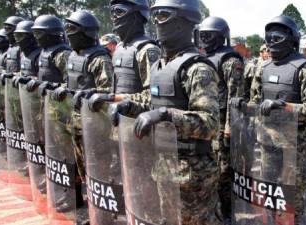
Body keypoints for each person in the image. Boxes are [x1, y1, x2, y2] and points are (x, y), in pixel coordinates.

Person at [90, 0, 222, 224]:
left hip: (192, 170)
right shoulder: (160, 65)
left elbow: (209, 123)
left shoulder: (197, 68)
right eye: (155, 15)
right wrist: (127, 104)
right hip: (163, 164)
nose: (156, 22)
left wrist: (165, 115)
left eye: (163, 15)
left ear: (182, 21)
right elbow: (148, 98)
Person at [234, 15, 306, 224]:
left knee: (292, 194)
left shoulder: (305, 68)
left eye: (277, 37)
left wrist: (284, 106)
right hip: (267, 142)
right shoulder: (262, 67)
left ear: (290, 39)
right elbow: (256, 101)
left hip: (294, 146)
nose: (272, 41)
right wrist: (243, 105)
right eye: (269, 37)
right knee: (269, 189)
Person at [52, 10, 113, 181]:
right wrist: (63, 89)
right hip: (74, 120)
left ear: (86, 32)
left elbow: (108, 93)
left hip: (95, 125)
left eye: (72, 29)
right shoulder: (73, 55)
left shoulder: (100, 59)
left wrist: (87, 94)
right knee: (79, 163)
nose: (68, 33)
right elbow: (71, 82)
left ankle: (101, 205)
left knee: (98, 168)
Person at [198, 16, 244, 222]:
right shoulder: (203, 58)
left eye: (210, 35)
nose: (205, 39)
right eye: (203, 35)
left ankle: (227, 214)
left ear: (221, 37)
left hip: (223, 123)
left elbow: (235, 98)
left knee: (225, 172)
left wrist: (229, 129)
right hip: (207, 121)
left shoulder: (230, 60)